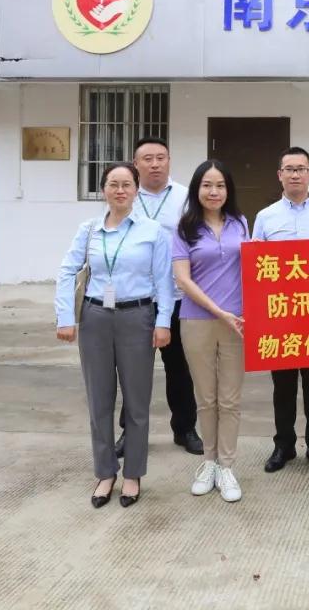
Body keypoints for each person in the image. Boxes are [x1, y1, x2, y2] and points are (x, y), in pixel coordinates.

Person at [55, 162, 175, 508]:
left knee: (137, 401)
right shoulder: (89, 230)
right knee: (99, 400)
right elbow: (67, 270)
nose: (119, 190)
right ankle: (105, 472)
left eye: (126, 184)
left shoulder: (153, 232)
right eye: (113, 184)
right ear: (103, 189)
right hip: (95, 318)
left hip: (137, 316)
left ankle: (133, 474)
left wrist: (163, 321)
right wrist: (65, 316)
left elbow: (164, 281)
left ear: (137, 190)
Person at [114, 137, 203, 457]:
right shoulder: (125, 195)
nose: (155, 164)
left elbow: (197, 240)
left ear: (169, 161)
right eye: (147, 159)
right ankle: (131, 433)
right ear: (135, 164)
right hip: (135, 298)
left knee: (180, 368)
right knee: (133, 370)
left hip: (178, 296)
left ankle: (185, 429)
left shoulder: (186, 197)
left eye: (161, 158)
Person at [252, 146, 309, 474]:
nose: (295, 174)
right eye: (289, 169)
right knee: (283, 387)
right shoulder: (266, 216)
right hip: (280, 317)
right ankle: (283, 445)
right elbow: (256, 269)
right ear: (279, 175)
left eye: (301, 169)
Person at [172, 160, 250, 503]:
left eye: (220, 185)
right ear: (196, 189)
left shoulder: (240, 223)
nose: (214, 191)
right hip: (197, 321)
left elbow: (253, 266)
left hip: (238, 323)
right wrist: (220, 311)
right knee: (205, 397)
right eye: (207, 185)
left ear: (228, 189)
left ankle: (227, 466)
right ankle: (208, 463)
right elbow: (182, 279)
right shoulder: (184, 228)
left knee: (230, 398)